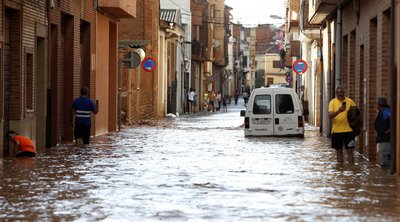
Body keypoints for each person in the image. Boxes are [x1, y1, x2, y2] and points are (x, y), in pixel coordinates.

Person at [328, 86, 356, 163]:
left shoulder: (350, 101)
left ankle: (351, 169)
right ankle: (340, 170)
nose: (340, 94)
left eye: (341, 92)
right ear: (336, 93)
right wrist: (338, 111)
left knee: (350, 151)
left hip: (349, 131)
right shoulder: (332, 102)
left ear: (344, 92)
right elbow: (330, 116)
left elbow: (356, 114)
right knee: (339, 151)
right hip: (337, 131)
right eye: (338, 92)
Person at [374, 97, 391, 167]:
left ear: (378, 104)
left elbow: (392, 120)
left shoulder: (385, 112)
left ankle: (387, 176)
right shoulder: (383, 111)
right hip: (384, 138)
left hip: (386, 139)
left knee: (385, 162)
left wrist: (390, 130)